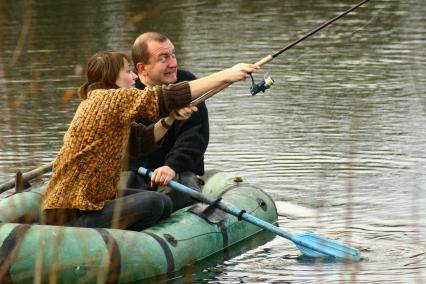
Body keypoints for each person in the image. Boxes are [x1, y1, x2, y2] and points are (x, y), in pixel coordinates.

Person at [41, 51, 258, 230]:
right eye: (128, 72)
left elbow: (141, 141)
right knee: (157, 202)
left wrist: (171, 118)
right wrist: (226, 75)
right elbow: (165, 97)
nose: (134, 77)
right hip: (71, 212)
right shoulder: (109, 98)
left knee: (161, 202)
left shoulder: (98, 103)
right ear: (111, 78)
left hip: (89, 203)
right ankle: (95, 234)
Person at [127, 32, 209, 210]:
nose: (173, 63)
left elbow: (194, 136)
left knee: (179, 191)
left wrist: (171, 166)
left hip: (176, 174)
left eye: (173, 55)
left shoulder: (186, 82)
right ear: (142, 68)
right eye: (164, 58)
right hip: (137, 176)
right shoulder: (126, 90)